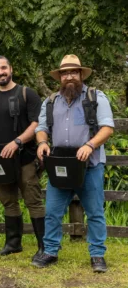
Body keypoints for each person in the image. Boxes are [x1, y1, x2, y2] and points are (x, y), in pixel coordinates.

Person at [33, 55, 113, 273]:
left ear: (80, 75)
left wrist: (90, 145)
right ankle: (50, 251)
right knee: (52, 211)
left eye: (73, 72)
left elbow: (107, 128)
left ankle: (97, 254)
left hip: (90, 165)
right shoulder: (50, 102)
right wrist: (41, 142)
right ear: (59, 77)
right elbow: (41, 128)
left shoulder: (96, 97)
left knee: (95, 211)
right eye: (65, 73)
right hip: (59, 166)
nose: (69, 76)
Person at [0, 56, 45, 258]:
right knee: (8, 201)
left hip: (25, 157)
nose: (1, 72)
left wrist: (17, 142)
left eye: (3, 68)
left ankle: (43, 246)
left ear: (11, 69)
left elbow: (37, 123)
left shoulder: (27, 94)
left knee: (33, 200)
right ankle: (13, 243)